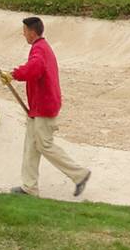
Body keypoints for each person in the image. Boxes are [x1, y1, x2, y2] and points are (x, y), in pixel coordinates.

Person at [6, 16, 92, 198]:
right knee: (31, 145)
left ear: (32, 32)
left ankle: (80, 174)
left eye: (24, 32)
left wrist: (13, 74)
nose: (23, 35)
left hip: (44, 106)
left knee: (44, 145)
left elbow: (34, 70)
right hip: (38, 106)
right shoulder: (41, 48)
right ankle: (29, 187)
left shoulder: (39, 49)